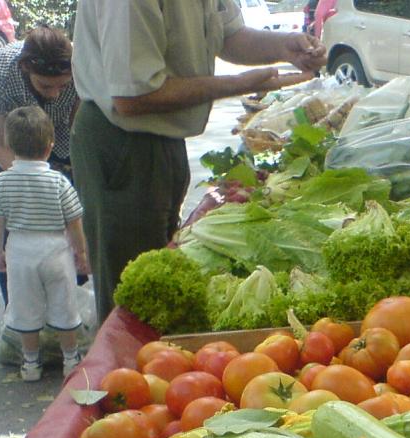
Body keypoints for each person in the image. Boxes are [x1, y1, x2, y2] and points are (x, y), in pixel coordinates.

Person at [71, 0, 327, 325]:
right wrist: (240, 84)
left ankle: (156, 368)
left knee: (163, 286)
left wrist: (286, 46)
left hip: (163, 138)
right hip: (121, 143)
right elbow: (132, 98)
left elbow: (229, 35)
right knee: (134, 305)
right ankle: (125, 375)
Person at [0, 107, 89, 383]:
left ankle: (30, 362)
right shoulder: (58, 182)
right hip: (55, 248)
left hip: (19, 249)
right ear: (50, 146)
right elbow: (74, 222)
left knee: (25, 308)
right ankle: (70, 358)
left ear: (8, 144)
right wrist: (81, 252)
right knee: (64, 305)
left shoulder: (1, 182)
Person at [0, 26, 78, 304]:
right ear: (25, 68)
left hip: (61, 131)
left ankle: (68, 297)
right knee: (13, 203)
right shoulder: (1, 73)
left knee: (70, 205)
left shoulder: (81, 69)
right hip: (8, 132)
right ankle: (17, 311)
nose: (56, 94)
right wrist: (31, 182)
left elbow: (79, 129)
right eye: (46, 85)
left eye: (63, 85)